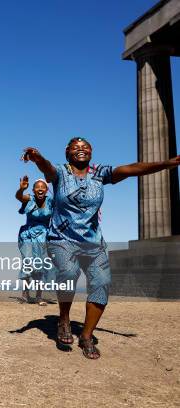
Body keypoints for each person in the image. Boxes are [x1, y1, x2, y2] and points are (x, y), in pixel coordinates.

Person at [22, 137, 180, 359]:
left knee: (102, 283)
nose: (81, 150)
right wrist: (38, 158)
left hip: (93, 242)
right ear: (67, 152)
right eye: (75, 147)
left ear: (91, 151)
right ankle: (64, 319)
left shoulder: (100, 173)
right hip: (61, 239)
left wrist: (166, 164)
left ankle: (86, 335)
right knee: (68, 273)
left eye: (85, 147)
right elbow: (46, 167)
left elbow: (132, 169)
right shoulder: (59, 173)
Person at [15, 175, 53, 306]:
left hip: (44, 236)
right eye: (37, 187)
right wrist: (21, 189)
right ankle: (25, 294)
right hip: (28, 235)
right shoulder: (29, 199)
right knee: (28, 261)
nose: (40, 189)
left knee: (41, 264)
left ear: (47, 190)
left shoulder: (51, 201)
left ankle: (38, 296)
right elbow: (19, 197)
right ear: (33, 190)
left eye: (43, 187)